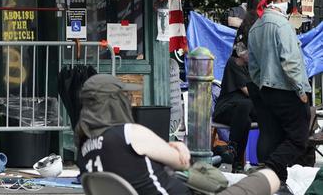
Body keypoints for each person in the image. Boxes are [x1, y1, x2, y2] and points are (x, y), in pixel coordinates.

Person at [75, 74, 280, 195]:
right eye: (124, 97)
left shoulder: (83, 150)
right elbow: (183, 162)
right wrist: (179, 147)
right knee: (269, 177)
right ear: (115, 102)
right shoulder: (128, 133)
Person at [247, 0, 311, 194]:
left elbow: (253, 67)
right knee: (298, 138)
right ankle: (272, 167)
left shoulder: (255, 27)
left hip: (266, 89)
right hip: (287, 89)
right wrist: (301, 90)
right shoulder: (282, 24)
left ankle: (277, 182)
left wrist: (261, 85)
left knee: (272, 135)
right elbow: (290, 61)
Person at [213, 0, 260, 172]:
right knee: (245, 104)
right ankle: (235, 154)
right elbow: (249, 91)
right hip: (228, 109)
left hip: (246, 112)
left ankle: (234, 155)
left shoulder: (258, 65)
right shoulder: (235, 63)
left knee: (247, 113)